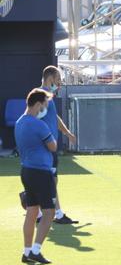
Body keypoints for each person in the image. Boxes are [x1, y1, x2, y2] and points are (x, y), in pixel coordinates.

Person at [15, 89, 58, 264]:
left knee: (32, 211)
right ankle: (35, 250)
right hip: (41, 172)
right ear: (39, 104)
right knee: (49, 213)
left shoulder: (19, 122)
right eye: (45, 104)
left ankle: (26, 252)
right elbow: (53, 146)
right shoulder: (38, 124)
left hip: (26, 171)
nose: (46, 108)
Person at [39, 66, 77, 225]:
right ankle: (57, 214)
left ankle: (37, 208)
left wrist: (67, 133)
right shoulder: (40, 95)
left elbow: (54, 118)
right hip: (45, 147)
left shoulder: (49, 96)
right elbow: (33, 117)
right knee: (50, 180)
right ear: (50, 78)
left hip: (50, 146)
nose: (59, 83)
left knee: (50, 180)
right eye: (58, 80)